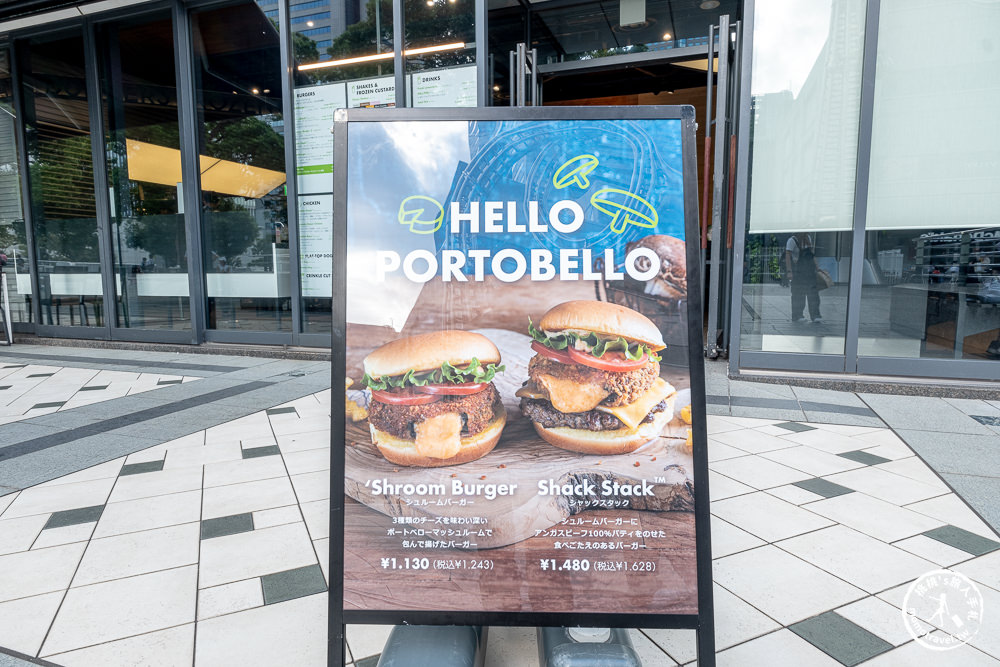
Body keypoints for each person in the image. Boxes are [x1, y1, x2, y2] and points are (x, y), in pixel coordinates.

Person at [785, 233, 822, 323]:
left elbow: (812, 254)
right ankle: (797, 315)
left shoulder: (808, 238)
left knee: (813, 293)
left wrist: (817, 268)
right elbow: (787, 256)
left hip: (809, 270)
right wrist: (789, 271)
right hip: (798, 271)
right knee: (798, 294)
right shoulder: (792, 241)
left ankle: (815, 315)